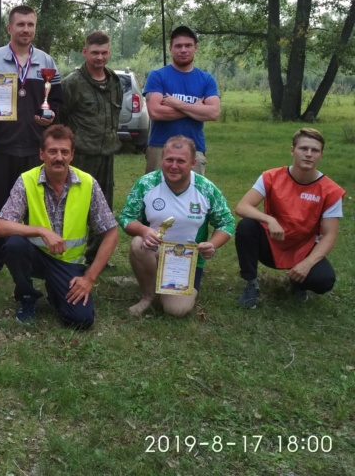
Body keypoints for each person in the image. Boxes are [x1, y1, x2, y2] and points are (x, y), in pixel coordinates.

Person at [0, 5, 62, 279]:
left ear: (35, 28)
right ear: (9, 28)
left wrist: (53, 116)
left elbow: (57, 102)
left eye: (30, 25)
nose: (25, 30)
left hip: (36, 147)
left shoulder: (47, 62)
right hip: (2, 145)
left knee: (38, 205)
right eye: (20, 24)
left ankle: (35, 258)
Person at [0, 125, 118, 326]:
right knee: (15, 244)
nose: (58, 157)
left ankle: (55, 291)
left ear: (72, 155)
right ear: (42, 154)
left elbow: (112, 233)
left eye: (64, 152)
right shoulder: (27, 180)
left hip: (69, 263)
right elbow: (1, 227)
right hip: (36, 257)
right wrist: (41, 231)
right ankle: (27, 296)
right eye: (52, 151)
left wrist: (89, 278)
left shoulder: (88, 183)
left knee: (80, 320)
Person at [119, 136, 235, 317]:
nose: (174, 165)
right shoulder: (147, 183)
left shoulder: (206, 189)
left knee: (176, 310)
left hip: (186, 259)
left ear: (193, 163)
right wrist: (144, 230)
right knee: (137, 243)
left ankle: (166, 288)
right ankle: (147, 296)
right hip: (155, 251)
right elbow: (126, 217)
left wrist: (213, 244)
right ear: (162, 159)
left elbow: (226, 222)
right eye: (169, 159)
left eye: (181, 161)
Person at [236, 128, 345, 309]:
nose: (309, 154)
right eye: (303, 148)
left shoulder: (331, 190)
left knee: (324, 280)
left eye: (315, 150)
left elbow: (330, 235)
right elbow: (242, 207)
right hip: (271, 244)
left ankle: (299, 282)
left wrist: (307, 263)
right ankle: (251, 284)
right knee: (246, 226)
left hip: (304, 249)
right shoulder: (270, 177)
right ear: (292, 150)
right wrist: (269, 220)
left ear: (321, 155)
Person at [60, 30, 122, 262]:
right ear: (84, 52)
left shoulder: (114, 81)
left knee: (103, 206)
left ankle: (97, 256)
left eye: (104, 52)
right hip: (81, 156)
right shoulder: (72, 83)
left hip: (107, 153)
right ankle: (69, 254)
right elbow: (61, 118)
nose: (99, 57)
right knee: (75, 206)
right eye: (94, 52)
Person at [144, 25, 220, 175]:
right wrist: (196, 108)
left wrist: (177, 104)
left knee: (193, 198)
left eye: (188, 45)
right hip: (160, 148)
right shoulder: (157, 76)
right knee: (156, 197)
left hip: (194, 150)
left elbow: (213, 113)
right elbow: (155, 112)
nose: (183, 50)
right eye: (178, 46)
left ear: (195, 48)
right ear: (170, 48)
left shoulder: (206, 79)